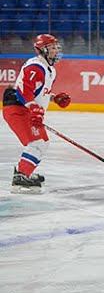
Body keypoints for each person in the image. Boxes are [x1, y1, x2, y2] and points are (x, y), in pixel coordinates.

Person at [2, 34, 71, 193]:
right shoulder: (35, 66)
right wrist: (33, 108)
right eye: (52, 47)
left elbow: (39, 92)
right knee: (37, 143)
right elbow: (23, 91)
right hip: (17, 108)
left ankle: (24, 173)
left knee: (42, 142)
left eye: (56, 47)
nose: (56, 50)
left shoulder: (50, 70)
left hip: (26, 109)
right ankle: (20, 177)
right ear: (43, 50)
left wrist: (54, 98)